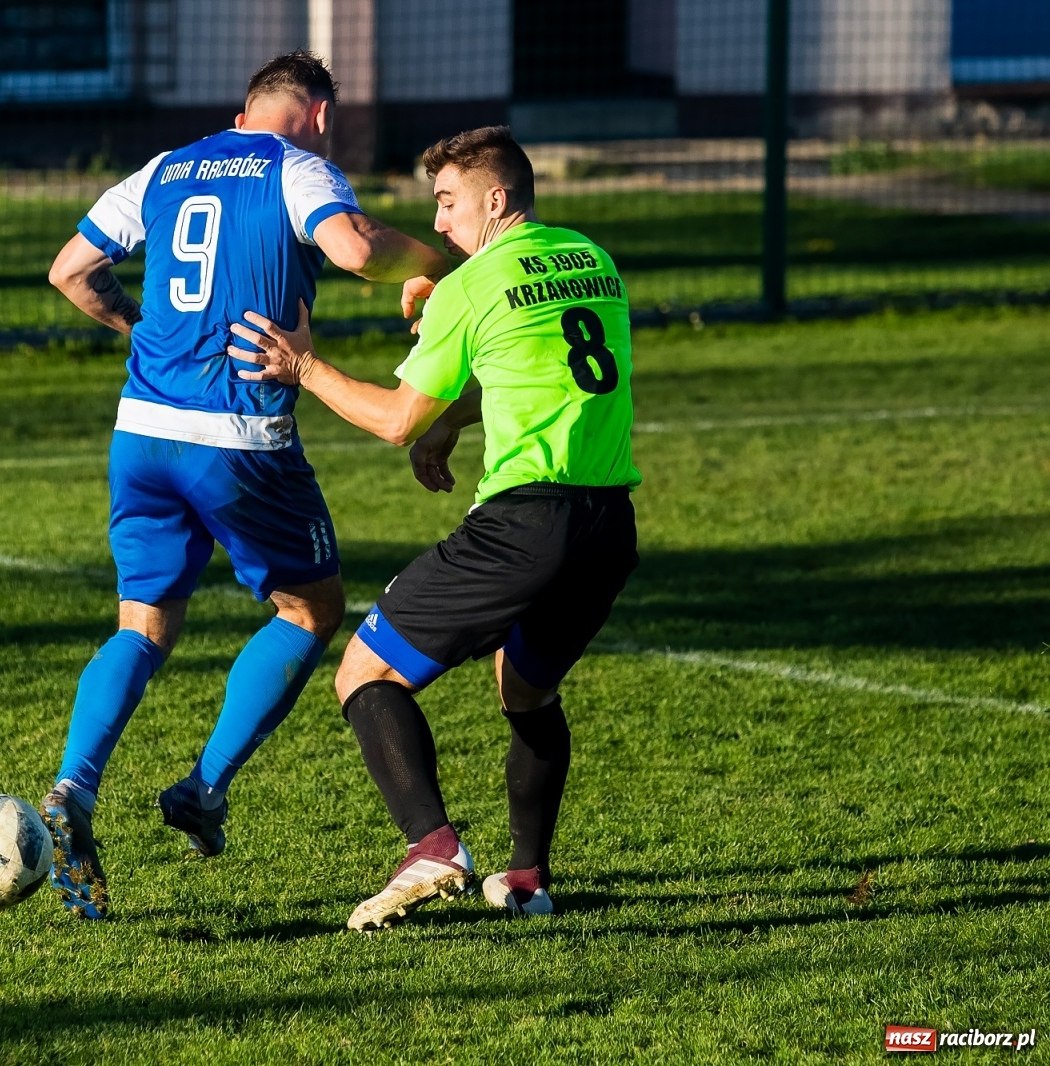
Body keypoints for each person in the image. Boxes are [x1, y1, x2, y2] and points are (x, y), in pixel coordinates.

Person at [42, 51, 447, 919]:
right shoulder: (297, 167)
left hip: (142, 431)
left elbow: (69, 271)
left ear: (241, 112)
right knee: (311, 609)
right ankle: (204, 789)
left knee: (142, 626)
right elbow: (355, 248)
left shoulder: (165, 167)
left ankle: (74, 786)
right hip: (239, 438)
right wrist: (438, 260)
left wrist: (142, 329)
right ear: (320, 115)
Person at [230, 125, 640, 931]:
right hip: (606, 526)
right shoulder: (591, 257)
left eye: (449, 203)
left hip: (525, 523)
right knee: (527, 690)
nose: (440, 222)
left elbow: (392, 420)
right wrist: (450, 422)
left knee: (365, 674)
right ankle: (527, 880)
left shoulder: (469, 288)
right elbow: (533, 369)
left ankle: (433, 848)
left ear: (496, 198)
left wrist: (304, 366)